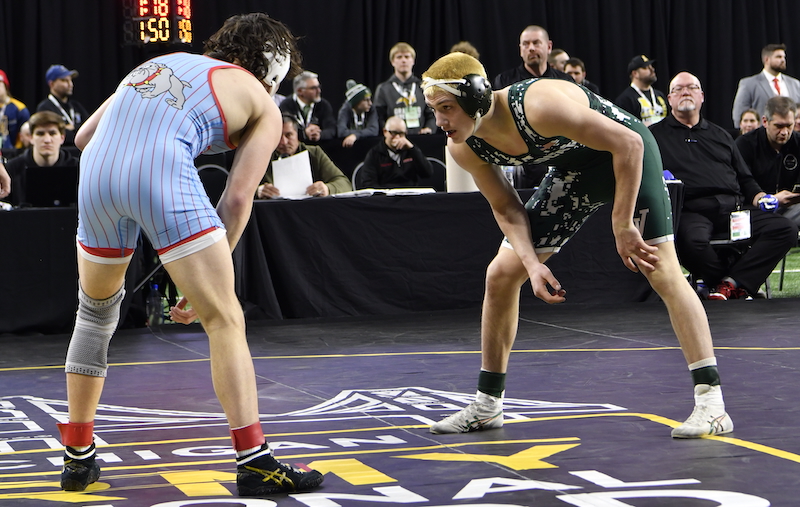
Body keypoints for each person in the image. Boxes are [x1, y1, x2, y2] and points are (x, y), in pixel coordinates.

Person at [56, 13, 323, 496]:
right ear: (273, 71)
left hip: (96, 173)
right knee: (224, 318)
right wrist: (205, 278)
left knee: (93, 316)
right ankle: (255, 462)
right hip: (160, 170)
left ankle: (77, 457)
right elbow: (237, 199)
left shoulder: (158, 63)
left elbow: (81, 138)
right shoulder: (262, 100)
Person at [421, 52, 733, 439]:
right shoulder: (464, 147)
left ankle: (712, 404)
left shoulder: (536, 105)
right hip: (576, 173)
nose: (440, 121)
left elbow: (629, 144)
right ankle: (487, 405)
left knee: (662, 270)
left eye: (447, 108)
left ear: (475, 98)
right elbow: (506, 208)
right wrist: (532, 264)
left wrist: (622, 223)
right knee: (501, 274)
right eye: (434, 110)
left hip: (629, 158)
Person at [650, 72, 798, 301]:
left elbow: (745, 179)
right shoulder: (654, 136)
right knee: (691, 241)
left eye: (692, 87)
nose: (686, 92)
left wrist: (761, 197)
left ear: (702, 96)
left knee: (785, 229)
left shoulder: (721, 135)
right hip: (691, 210)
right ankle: (731, 284)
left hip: (733, 210)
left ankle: (729, 284)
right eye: (678, 89)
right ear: (669, 99)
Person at [736, 96, 800, 227]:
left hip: (792, 209)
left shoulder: (798, 142)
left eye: (789, 126)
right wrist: (770, 200)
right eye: (778, 126)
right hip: (754, 208)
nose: (784, 132)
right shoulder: (745, 144)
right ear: (765, 121)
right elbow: (744, 181)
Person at [256, 114, 351, 198]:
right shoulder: (264, 157)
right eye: (278, 136)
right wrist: (258, 191)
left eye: (289, 135)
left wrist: (327, 188)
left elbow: (344, 183)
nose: (284, 142)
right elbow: (247, 186)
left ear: (299, 135)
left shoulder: (315, 153)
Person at [5, 111, 79, 206]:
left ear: (62, 138)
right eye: (40, 134)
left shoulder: (78, 168)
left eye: (52, 133)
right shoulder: (11, 169)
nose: (47, 140)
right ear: (31, 138)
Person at [373, 42, 436, 134]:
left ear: (413, 61)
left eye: (407, 57)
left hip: (421, 137)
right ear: (392, 62)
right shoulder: (383, 89)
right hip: (395, 137)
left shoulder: (423, 86)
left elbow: (432, 113)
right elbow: (378, 117)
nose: (403, 60)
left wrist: (429, 128)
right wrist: (389, 132)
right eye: (399, 57)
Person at [732, 44, 800, 129]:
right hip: (761, 134)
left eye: (784, 57)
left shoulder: (795, 84)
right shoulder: (749, 84)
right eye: (778, 57)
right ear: (767, 59)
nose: (783, 60)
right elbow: (739, 113)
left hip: (791, 134)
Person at [358, 116, 433, 189]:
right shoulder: (374, 154)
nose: (397, 137)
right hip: (386, 195)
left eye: (401, 134)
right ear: (385, 132)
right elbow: (368, 184)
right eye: (394, 133)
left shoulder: (411, 150)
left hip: (410, 194)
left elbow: (427, 173)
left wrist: (412, 148)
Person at [493, 25, 573, 89]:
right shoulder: (504, 81)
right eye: (526, 44)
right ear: (521, 50)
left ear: (549, 47)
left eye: (536, 43)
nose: (531, 48)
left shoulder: (565, 81)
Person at [36, 64, 89, 146]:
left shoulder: (76, 106)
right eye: (64, 80)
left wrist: (70, 128)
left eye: (70, 80)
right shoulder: (45, 108)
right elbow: (52, 135)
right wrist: (77, 129)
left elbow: (89, 130)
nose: (70, 84)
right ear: (52, 84)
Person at [279, 70, 336, 142]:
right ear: (300, 91)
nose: (319, 91)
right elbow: (284, 130)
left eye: (319, 87)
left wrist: (319, 134)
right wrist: (304, 133)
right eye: (313, 88)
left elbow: (332, 129)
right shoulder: (286, 105)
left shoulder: (323, 105)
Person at [614, 55, 668, 126]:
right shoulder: (625, 100)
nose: (652, 69)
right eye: (645, 68)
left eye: (651, 66)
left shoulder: (659, 95)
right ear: (635, 73)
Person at [337, 79, 378, 147]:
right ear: (356, 102)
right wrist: (364, 132)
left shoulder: (371, 108)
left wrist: (356, 135)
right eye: (366, 100)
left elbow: (374, 130)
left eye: (370, 99)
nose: (370, 103)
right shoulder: (345, 110)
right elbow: (341, 132)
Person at [0, 69, 31, 150]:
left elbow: (25, 134)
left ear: (5, 86)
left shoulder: (19, 108)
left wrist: (15, 152)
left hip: (13, 153)